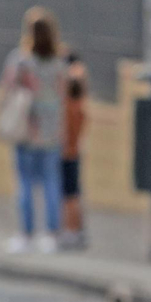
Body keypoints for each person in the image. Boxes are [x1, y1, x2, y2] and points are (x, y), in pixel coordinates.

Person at [0, 6, 68, 254]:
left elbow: (7, 88)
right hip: (52, 132)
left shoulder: (20, 60)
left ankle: (25, 235)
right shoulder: (60, 62)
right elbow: (62, 96)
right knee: (52, 183)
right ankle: (51, 234)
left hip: (27, 130)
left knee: (25, 183)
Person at [59, 51, 88, 250]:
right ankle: (74, 230)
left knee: (69, 195)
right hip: (73, 150)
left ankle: (72, 231)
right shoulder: (77, 104)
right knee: (72, 193)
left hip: (68, 152)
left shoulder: (70, 104)